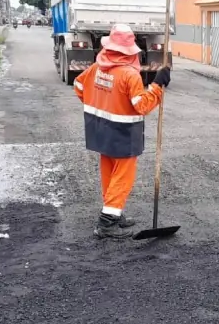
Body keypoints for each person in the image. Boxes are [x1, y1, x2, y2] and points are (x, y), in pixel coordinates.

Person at [74, 24, 172, 239]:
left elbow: (79, 86)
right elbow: (142, 106)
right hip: (123, 133)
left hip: (100, 130)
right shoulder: (129, 75)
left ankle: (113, 213)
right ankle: (106, 223)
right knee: (122, 178)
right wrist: (157, 85)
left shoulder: (96, 68)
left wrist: (99, 102)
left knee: (109, 174)